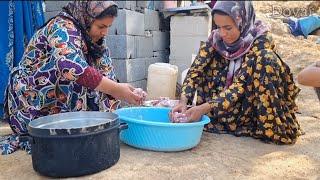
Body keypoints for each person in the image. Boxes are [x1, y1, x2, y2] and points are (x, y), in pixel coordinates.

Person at [1, 1, 145, 155]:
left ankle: (78, 126)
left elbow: (107, 75)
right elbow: (70, 67)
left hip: (58, 105)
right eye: (101, 27)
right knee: (74, 72)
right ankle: (49, 129)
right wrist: (115, 89)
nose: (105, 33)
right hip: (29, 102)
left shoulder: (95, 43)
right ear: (86, 18)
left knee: (98, 79)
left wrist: (125, 92)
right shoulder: (61, 27)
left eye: (109, 27)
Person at [170, 1, 303, 144]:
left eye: (228, 27)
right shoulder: (216, 39)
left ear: (242, 21)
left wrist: (204, 108)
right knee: (208, 56)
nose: (222, 33)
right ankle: (225, 119)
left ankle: (266, 125)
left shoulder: (260, 40)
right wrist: (183, 101)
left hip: (251, 104)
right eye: (218, 27)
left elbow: (241, 85)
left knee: (266, 60)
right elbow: (196, 70)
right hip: (226, 106)